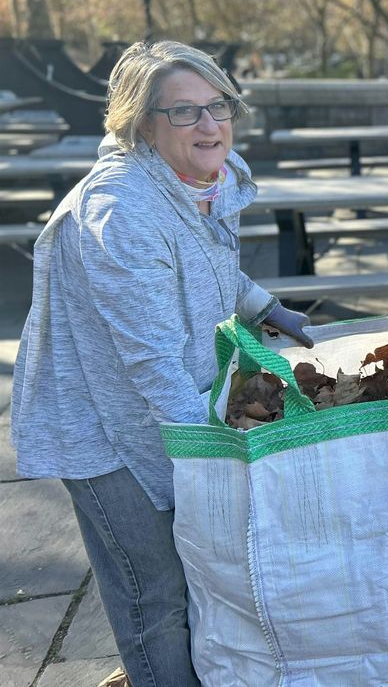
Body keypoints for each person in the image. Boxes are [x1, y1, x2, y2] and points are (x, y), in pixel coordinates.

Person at [10, 41, 313, 686]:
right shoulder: (122, 212)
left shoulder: (195, 183)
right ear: (140, 123)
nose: (209, 125)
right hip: (100, 428)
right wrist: (209, 453)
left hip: (166, 415)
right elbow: (150, 361)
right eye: (184, 113)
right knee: (153, 594)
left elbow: (210, 269)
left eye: (219, 106)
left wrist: (269, 309)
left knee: (191, 576)